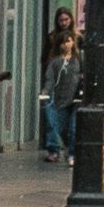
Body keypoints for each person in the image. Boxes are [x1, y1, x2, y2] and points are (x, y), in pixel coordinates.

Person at [40, 14, 79, 162]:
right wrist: (45, 91)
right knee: (61, 126)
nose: (66, 45)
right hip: (60, 97)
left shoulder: (78, 59)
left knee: (73, 127)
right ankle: (65, 147)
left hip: (75, 97)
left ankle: (72, 153)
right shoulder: (55, 61)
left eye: (69, 41)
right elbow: (50, 78)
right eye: (63, 43)